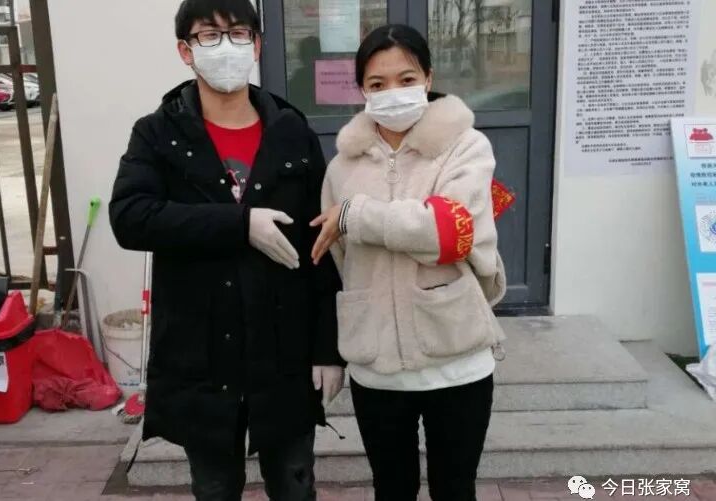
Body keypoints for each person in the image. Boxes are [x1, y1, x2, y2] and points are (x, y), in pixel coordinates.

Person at [109, 1, 344, 500]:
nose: (226, 47)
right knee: (215, 487)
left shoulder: (291, 130)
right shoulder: (159, 133)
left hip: (283, 347)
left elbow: (321, 244)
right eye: (209, 36)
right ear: (185, 51)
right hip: (203, 350)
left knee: (295, 482)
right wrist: (238, 224)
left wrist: (328, 349)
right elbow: (130, 217)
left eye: (238, 34)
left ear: (256, 45)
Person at [311, 24, 509, 501]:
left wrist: (357, 215)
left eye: (406, 79)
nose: (393, 92)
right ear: (362, 90)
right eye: (377, 84)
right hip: (376, 366)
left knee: (454, 489)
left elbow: (449, 233)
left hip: (456, 358)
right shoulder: (341, 167)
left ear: (429, 78)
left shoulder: (465, 147)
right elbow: (339, 261)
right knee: (391, 489)